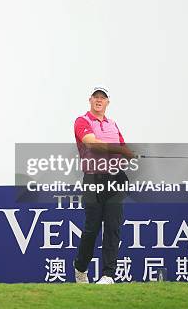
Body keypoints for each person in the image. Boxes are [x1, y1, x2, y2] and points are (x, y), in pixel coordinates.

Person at [73, 85, 136, 284]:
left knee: (113, 226)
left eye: (103, 97)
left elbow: (123, 148)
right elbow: (91, 143)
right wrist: (120, 150)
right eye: (96, 97)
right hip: (94, 179)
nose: (99, 100)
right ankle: (80, 268)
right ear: (90, 100)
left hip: (115, 179)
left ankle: (108, 275)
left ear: (108, 102)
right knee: (92, 229)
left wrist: (128, 155)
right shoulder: (82, 121)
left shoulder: (113, 124)